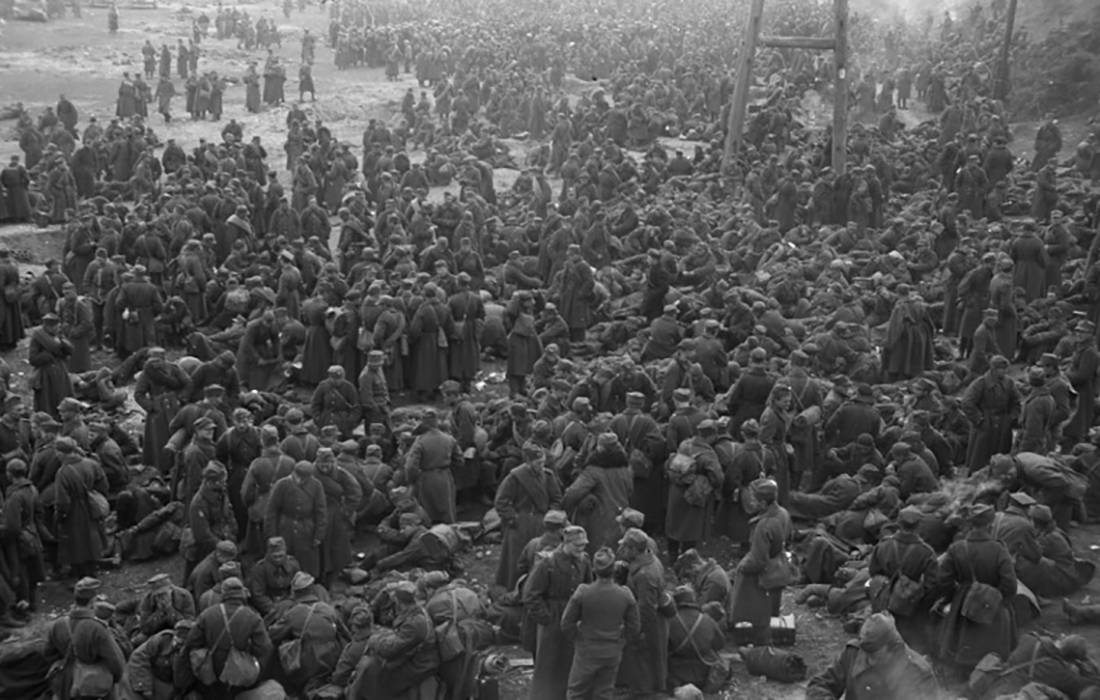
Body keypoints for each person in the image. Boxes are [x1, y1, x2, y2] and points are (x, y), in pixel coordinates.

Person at [934, 503, 1018, 673]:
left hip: (962, 603)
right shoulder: (999, 549)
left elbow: (943, 580)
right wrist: (995, 598)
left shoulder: (956, 548)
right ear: (990, 524)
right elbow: (1010, 585)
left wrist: (955, 597)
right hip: (993, 608)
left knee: (961, 643)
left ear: (970, 524)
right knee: (994, 647)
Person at [559, 546, 640, 700]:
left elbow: (566, 623)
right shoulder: (625, 594)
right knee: (604, 693)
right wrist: (621, 641)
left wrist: (577, 639)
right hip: (612, 650)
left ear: (594, 569)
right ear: (614, 569)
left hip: (586, 649)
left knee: (577, 692)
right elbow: (634, 627)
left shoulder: (583, 592)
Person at [524, 525, 593, 700]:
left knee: (572, 660)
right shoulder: (547, 563)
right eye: (577, 545)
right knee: (549, 662)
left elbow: (588, 588)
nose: (581, 549)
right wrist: (546, 617)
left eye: (583, 545)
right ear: (565, 543)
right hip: (553, 615)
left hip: (574, 616)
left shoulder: (584, 560)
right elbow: (531, 595)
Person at [806, 613, 940, 700]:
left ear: (892, 648)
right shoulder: (854, 653)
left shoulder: (919, 674)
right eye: (866, 654)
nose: (868, 660)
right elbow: (819, 685)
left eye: (874, 655)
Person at [183, 577, 272, 700]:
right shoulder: (252, 617)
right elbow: (264, 647)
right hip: (239, 670)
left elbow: (191, 641)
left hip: (212, 669)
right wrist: (255, 667)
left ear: (223, 593)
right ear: (241, 593)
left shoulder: (207, 614)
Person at [867, 506, 937, 653]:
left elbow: (873, 571)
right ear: (919, 526)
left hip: (882, 600)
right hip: (907, 607)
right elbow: (932, 585)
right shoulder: (926, 552)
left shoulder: (884, 543)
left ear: (898, 523)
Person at [730, 478, 791, 645]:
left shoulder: (763, 525)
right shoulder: (783, 513)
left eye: (754, 499)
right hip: (778, 568)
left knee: (757, 617)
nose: (750, 502)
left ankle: (761, 650)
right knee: (771, 612)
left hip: (762, 577)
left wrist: (742, 567)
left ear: (763, 503)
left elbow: (758, 560)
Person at [495, 441, 563, 590]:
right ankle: (515, 590)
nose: (541, 466)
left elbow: (557, 498)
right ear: (529, 462)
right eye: (538, 462)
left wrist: (551, 514)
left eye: (543, 462)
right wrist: (512, 518)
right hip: (521, 525)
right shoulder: (515, 477)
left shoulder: (548, 476)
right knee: (517, 561)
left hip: (542, 523)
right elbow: (501, 501)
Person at [269, 571, 349, 692]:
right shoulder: (328, 609)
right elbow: (346, 635)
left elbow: (273, 635)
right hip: (332, 660)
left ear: (295, 592)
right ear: (312, 590)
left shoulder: (294, 613)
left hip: (307, 665)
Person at [615, 527, 669, 696]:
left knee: (643, 658)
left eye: (625, 548)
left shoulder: (645, 575)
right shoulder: (648, 559)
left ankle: (643, 692)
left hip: (648, 622)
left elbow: (646, 608)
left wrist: (636, 630)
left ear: (633, 549)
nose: (622, 551)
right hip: (651, 617)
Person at [265, 459, 327, 579]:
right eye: (298, 476)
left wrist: (319, 535)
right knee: (283, 559)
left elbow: (321, 511)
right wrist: (271, 535)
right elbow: (271, 511)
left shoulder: (316, 485)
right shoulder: (282, 484)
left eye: (304, 478)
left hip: (307, 529)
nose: (300, 480)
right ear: (293, 473)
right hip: (285, 528)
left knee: (307, 563)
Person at [404, 408, 463, 524]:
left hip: (426, 477)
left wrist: (411, 480)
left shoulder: (420, 441)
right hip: (445, 476)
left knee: (428, 512)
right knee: (448, 510)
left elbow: (410, 466)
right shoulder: (449, 439)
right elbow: (460, 460)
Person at [666, 584, 726, 690]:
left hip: (675, 675)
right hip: (704, 674)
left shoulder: (668, 621)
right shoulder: (708, 620)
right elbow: (720, 644)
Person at [29, 313, 73, 417]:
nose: (58, 329)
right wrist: (47, 355)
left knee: (62, 394)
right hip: (46, 374)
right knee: (47, 399)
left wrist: (62, 344)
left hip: (60, 371)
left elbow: (69, 350)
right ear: (48, 327)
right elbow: (33, 359)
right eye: (55, 327)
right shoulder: (37, 337)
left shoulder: (58, 335)